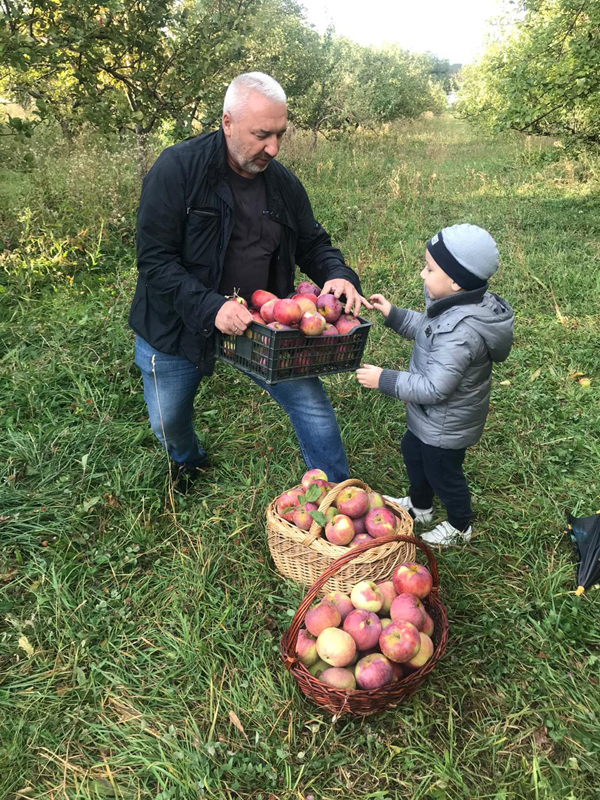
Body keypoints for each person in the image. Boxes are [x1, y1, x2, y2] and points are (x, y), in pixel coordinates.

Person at [129, 72, 370, 489]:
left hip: (263, 322)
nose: (272, 149)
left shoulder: (282, 184)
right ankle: (189, 461)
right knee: (168, 420)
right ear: (227, 123)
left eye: (279, 134)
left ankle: (332, 494)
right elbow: (154, 261)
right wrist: (211, 306)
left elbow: (313, 242)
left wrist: (338, 274)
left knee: (311, 403)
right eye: (261, 135)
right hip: (177, 322)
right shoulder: (178, 170)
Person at [356, 224, 514, 546]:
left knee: (443, 473)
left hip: (446, 424)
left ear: (455, 281)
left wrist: (384, 379)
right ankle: (421, 506)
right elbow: (428, 329)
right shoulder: (454, 307)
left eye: (429, 268)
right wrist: (394, 314)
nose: (422, 274)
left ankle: (459, 526)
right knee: (412, 450)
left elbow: (435, 388)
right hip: (430, 420)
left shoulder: (462, 332)